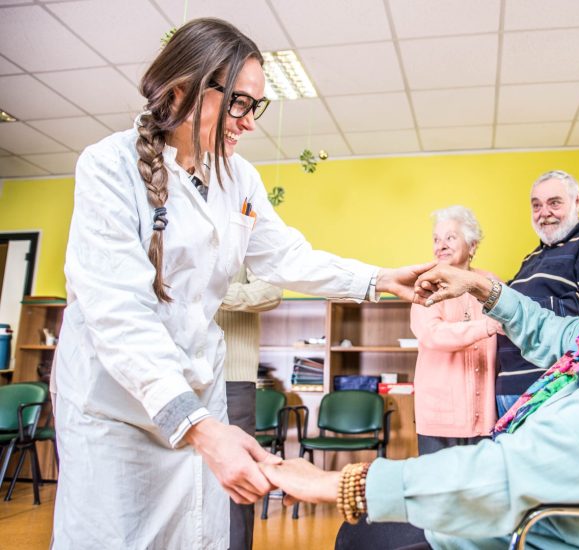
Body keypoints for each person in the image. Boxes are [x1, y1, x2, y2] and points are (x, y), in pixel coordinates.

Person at [51, 18, 429, 549]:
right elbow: (118, 313)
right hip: (117, 400)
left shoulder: (238, 177)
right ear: (181, 89)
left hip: (195, 387)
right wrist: (200, 427)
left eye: (256, 106)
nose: (249, 122)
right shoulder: (108, 167)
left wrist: (380, 278)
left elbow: (287, 256)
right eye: (239, 104)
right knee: (116, 535)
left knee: (196, 533)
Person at [260, 204, 579, 550]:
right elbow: (553, 331)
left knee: (365, 535)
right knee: (370, 532)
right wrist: (484, 290)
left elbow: (505, 476)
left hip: (541, 534)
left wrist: (340, 483)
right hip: (540, 519)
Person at [495, 170, 579, 416]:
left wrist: (516, 310)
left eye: (554, 203)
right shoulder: (530, 258)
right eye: (536, 205)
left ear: (577, 201)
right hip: (508, 387)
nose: (544, 212)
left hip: (552, 387)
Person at [410, 206, 502, 455]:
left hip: (484, 415)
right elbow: (432, 334)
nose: (441, 245)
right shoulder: (426, 285)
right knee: (436, 479)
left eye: (450, 238)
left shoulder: (491, 283)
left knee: (481, 479)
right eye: (436, 239)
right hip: (439, 415)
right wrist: (487, 326)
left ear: (472, 246)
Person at [215, 266, 282, 550]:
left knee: (237, 480)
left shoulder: (246, 241)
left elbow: (271, 291)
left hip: (233, 376)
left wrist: (213, 293)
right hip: (179, 376)